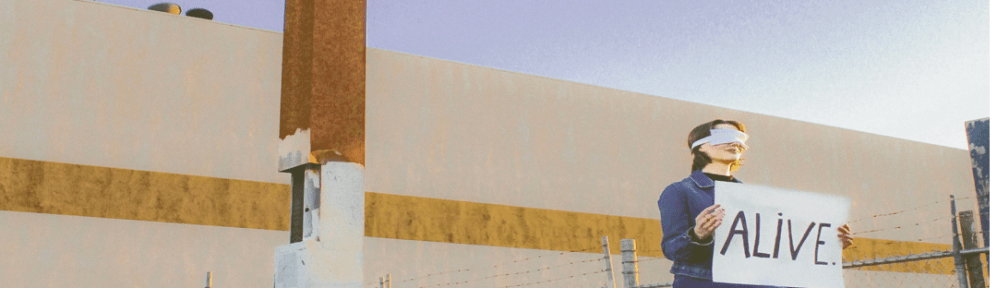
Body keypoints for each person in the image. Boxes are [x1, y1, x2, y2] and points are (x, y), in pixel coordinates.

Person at [657, 119, 853, 288]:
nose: (734, 143)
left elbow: (776, 246)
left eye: (739, 139)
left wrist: (827, 243)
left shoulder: (753, 198)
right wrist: (697, 235)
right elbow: (672, 249)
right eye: (723, 135)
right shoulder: (679, 191)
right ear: (700, 145)